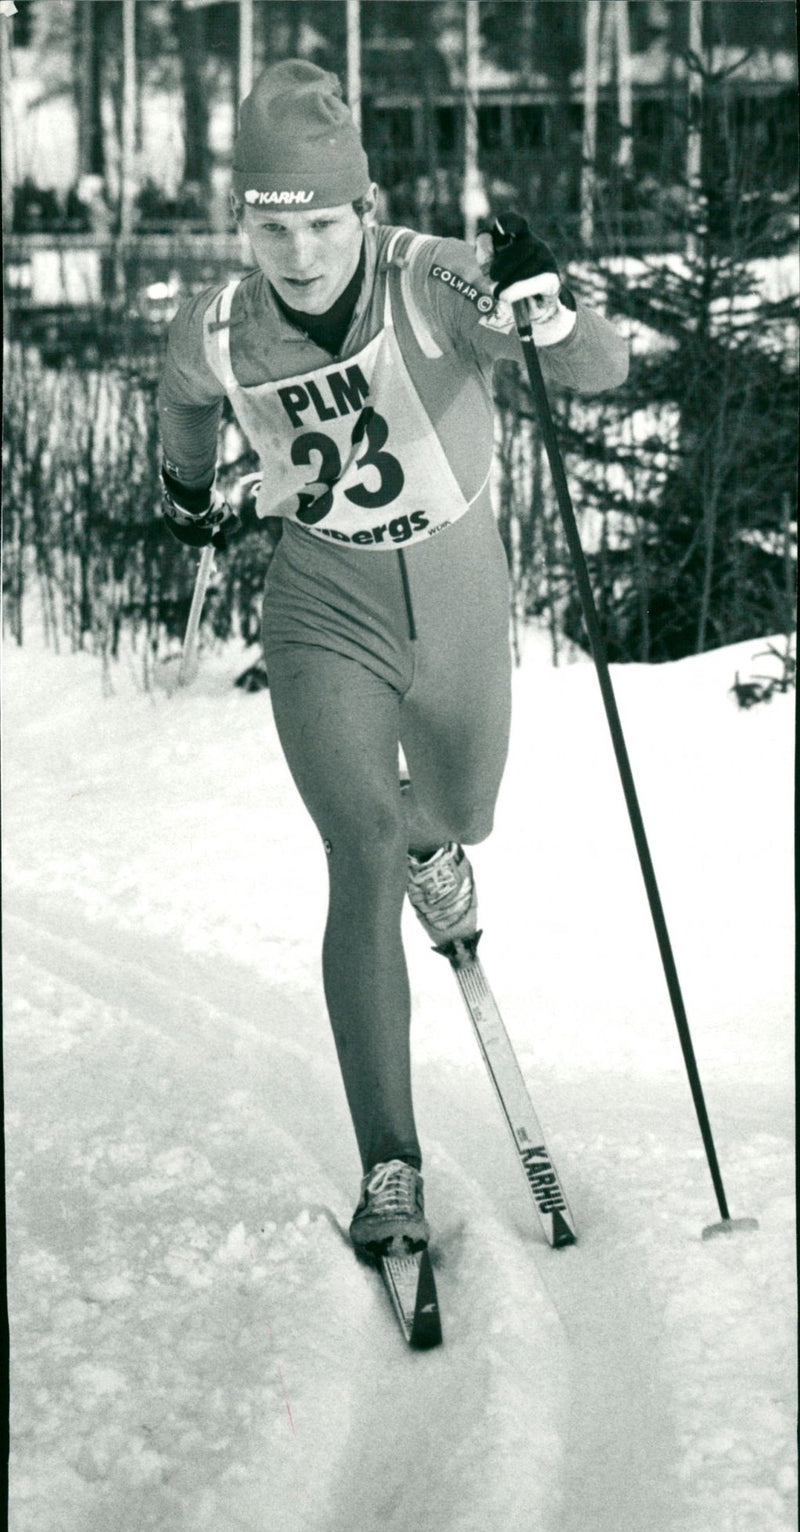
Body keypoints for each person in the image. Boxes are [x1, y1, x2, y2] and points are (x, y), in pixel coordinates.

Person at [158, 60, 628, 1264]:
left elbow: (598, 374)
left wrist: (551, 308)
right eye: (276, 232)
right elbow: (182, 402)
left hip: (459, 592)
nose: (300, 255)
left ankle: (437, 840)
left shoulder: (429, 281)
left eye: (321, 225)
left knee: (459, 812)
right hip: (323, 606)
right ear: (247, 227)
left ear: (360, 211)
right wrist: (189, 489)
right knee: (357, 852)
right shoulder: (217, 324)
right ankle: (389, 1167)